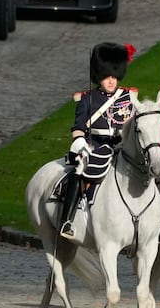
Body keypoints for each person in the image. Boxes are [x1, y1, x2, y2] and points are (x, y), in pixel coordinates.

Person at [58, 42, 137, 239]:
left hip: (121, 145)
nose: (111, 81)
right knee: (79, 169)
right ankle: (67, 220)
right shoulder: (87, 99)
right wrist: (81, 145)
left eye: (114, 76)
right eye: (106, 76)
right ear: (98, 76)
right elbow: (78, 128)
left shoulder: (129, 97)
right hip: (95, 145)